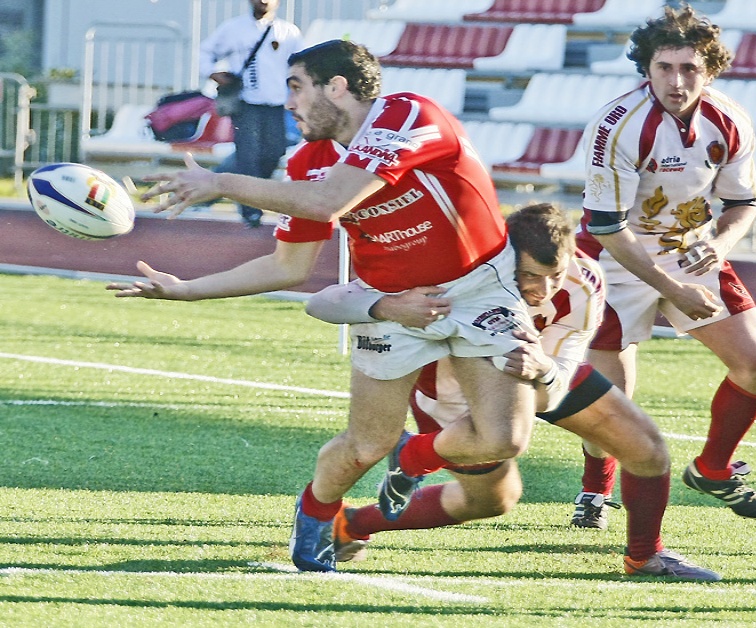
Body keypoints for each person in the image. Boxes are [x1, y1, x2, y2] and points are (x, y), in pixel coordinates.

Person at [128, 40, 539, 573]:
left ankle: (413, 458)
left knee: (504, 439)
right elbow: (287, 268)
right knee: (366, 445)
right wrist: (184, 289)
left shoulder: (408, 114)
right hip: (389, 306)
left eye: (296, 87)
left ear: (337, 87)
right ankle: (318, 511)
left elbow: (329, 201)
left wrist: (220, 182)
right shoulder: (309, 160)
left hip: (479, 291)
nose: (289, 104)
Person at [306, 204, 720, 581]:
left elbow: (561, 371)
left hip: (538, 369)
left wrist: (544, 370)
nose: (543, 290)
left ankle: (645, 556)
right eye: (529, 276)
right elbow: (325, 303)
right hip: (455, 387)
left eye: (554, 276)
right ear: (506, 258)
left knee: (645, 446)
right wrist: (385, 306)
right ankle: (354, 522)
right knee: (493, 500)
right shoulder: (462, 272)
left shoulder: (585, 280)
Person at [575, 4, 756, 520]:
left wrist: (722, 243)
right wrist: (674, 287)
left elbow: (743, 204)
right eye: (665, 67)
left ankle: (713, 468)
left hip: (690, 249)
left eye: (690, 68)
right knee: (611, 407)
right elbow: (606, 226)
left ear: (709, 70)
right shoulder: (618, 124)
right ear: (646, 68)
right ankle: (594, 490)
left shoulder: (729, 119)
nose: (677, 79)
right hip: (614, 260)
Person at [199, 0, 304, 228]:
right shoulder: (233, 28)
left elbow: (300, 65)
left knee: (274, 152)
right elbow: (206, 51)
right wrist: (212, 73)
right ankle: (250, 211)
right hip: (246, 103)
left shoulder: (289, 31)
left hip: (276, 104)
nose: (264, 1)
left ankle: (238, 191)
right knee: (248, 155)